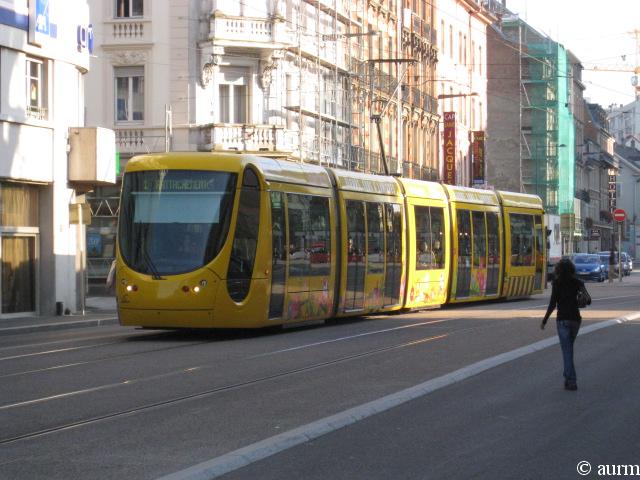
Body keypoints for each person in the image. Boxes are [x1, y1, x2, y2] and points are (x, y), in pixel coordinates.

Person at [540, 258, 587, 391]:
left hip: (562, 321)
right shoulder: (578, 282)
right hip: (575, 320)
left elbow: (552, 304)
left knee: (567, 351)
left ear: (558, 270)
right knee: (569, 349)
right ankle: (567, 376)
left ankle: (571, 380)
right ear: (572, 269)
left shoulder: (556, 283)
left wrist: (544, 320)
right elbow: (588, 300)